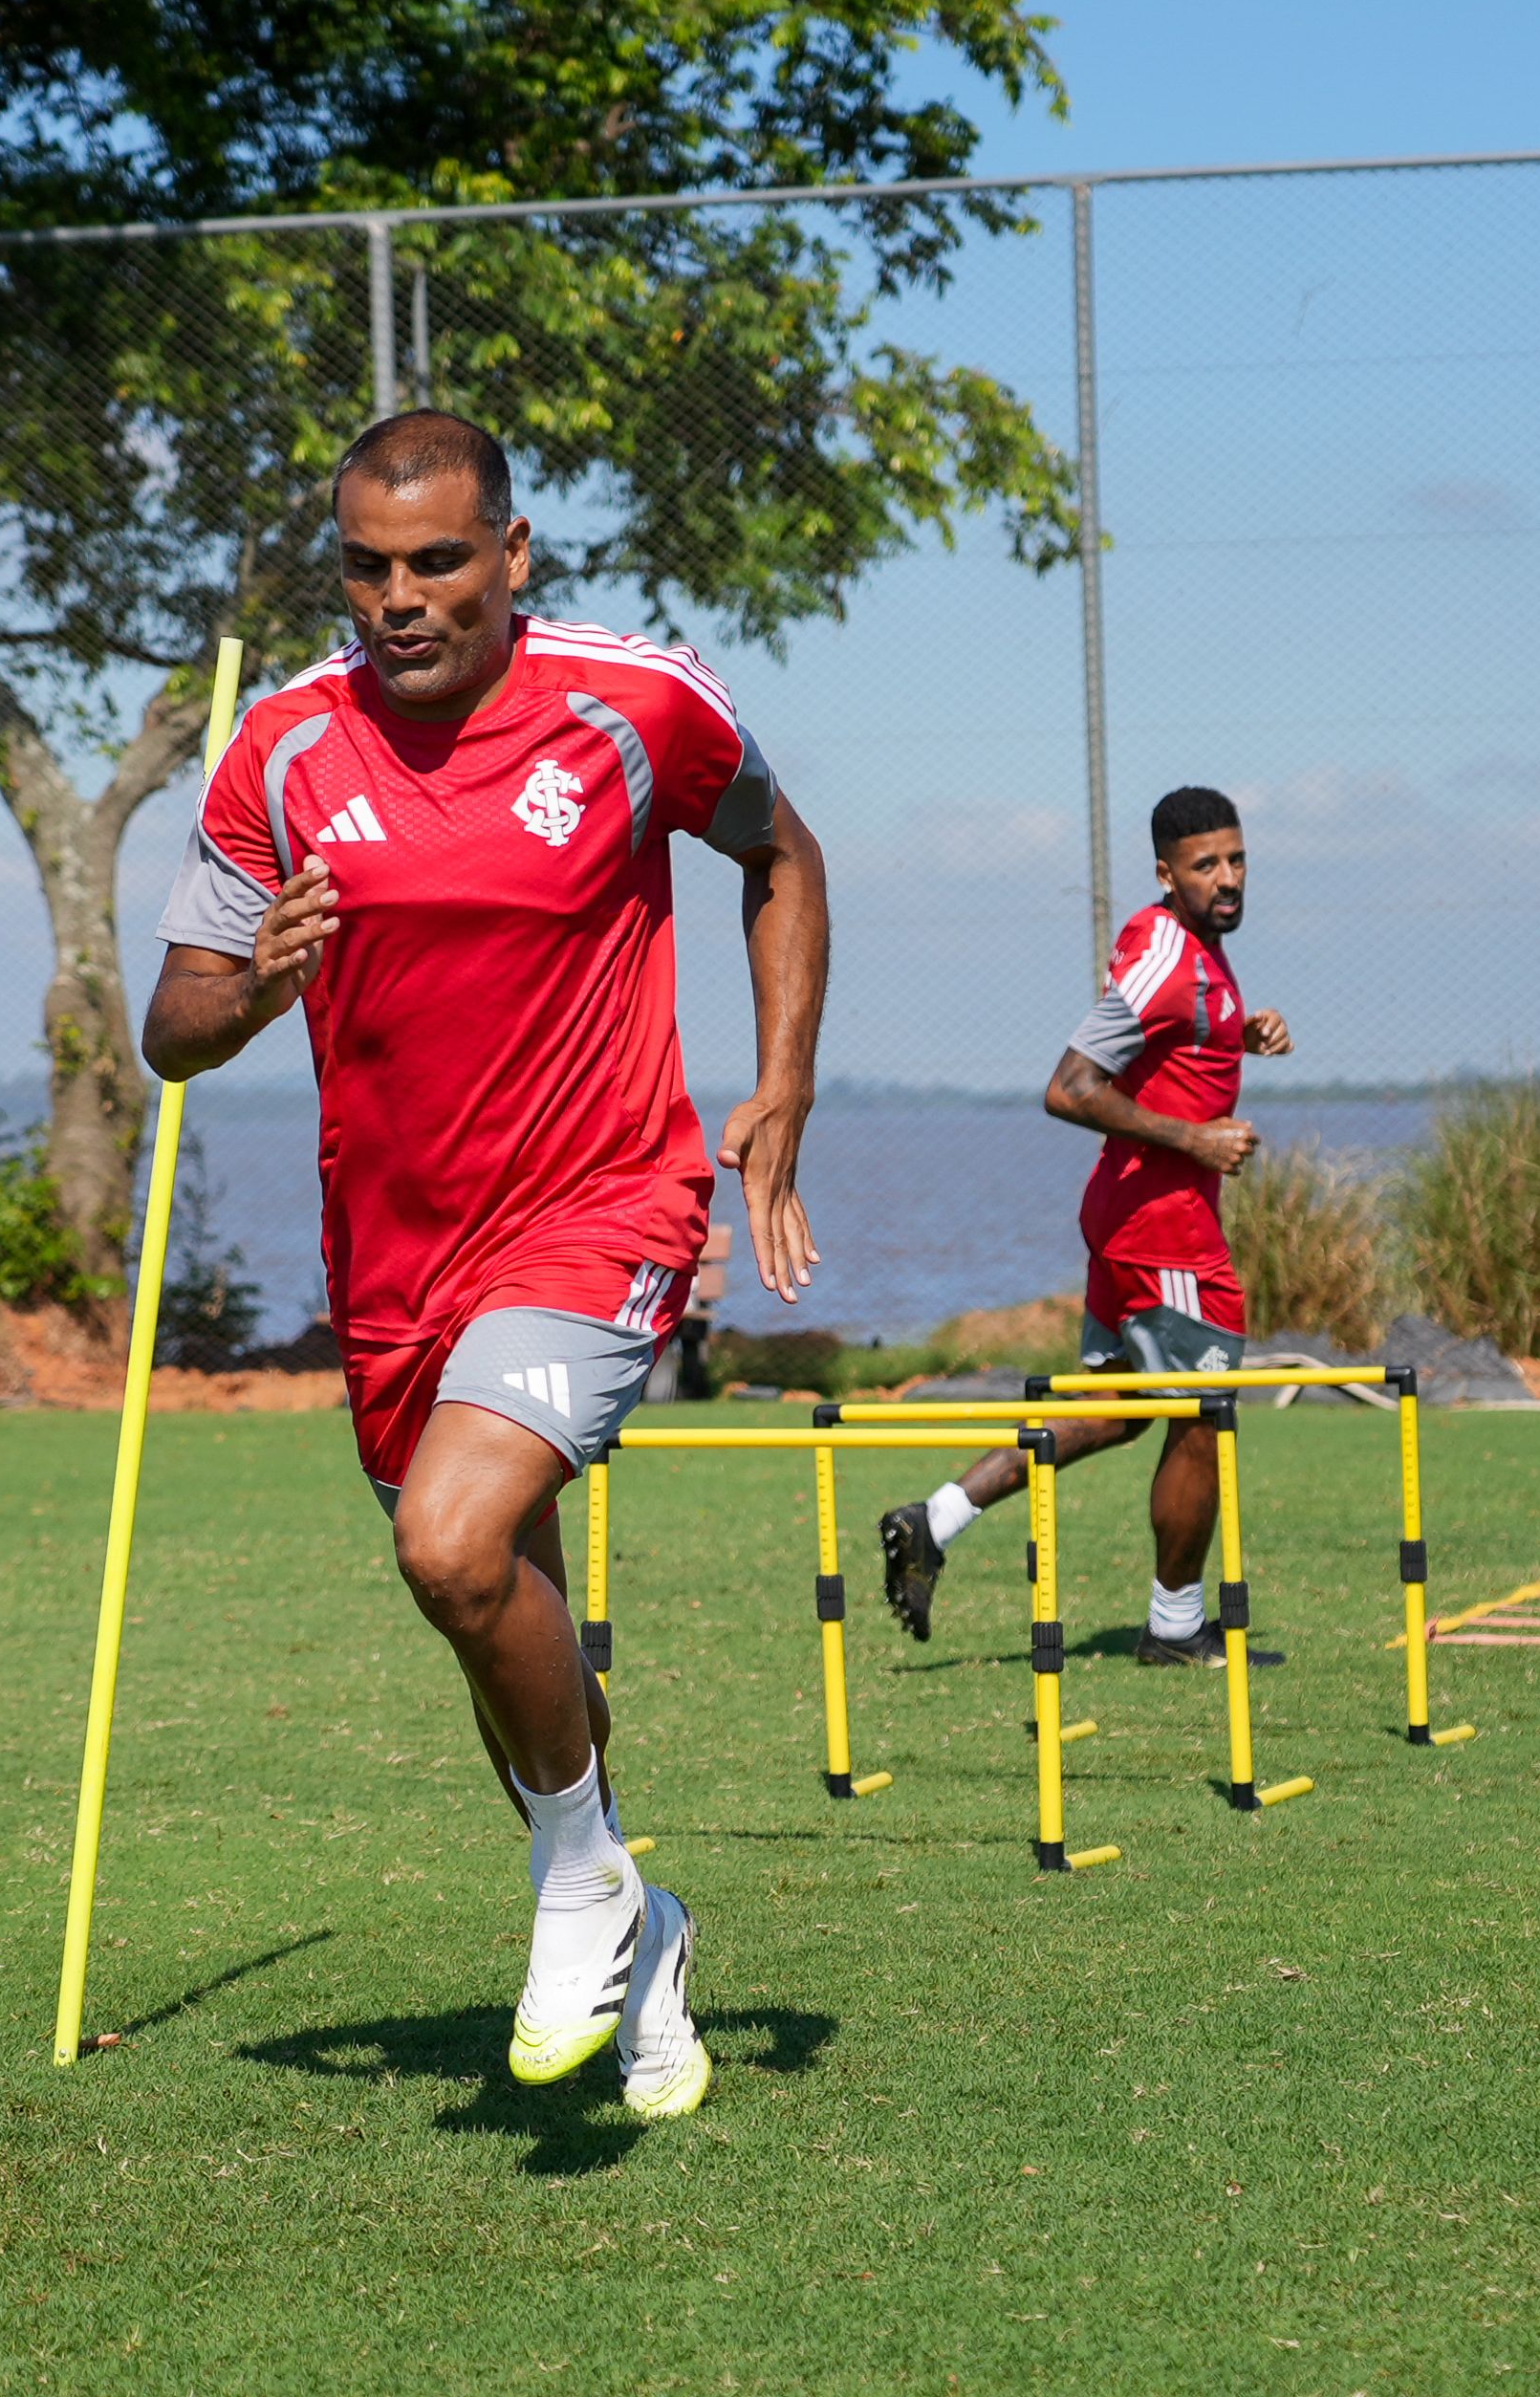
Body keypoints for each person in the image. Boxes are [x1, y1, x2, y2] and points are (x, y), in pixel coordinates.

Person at [145, 410, 829, 2123]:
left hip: (600, 1200)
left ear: (511, 555)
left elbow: (782, 855)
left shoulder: (635, 700)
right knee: (494, 1612)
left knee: (450, 1548)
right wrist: (260, 978)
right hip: (395, 1257)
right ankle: (640, 1916)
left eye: (438, 561)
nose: (401, 598)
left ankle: (582, 1884)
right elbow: (171, 1026)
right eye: (369, 567)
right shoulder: (283, 748)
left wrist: (783, 1091)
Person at [875, 786, 1291, 1663]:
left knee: (1114, 1412)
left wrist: (1234, 1038)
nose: (1227, 879)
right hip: (1163, 1227)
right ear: (1165, 875)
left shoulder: (1200, 955)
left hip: (1133, 1218)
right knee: (1203, 1419)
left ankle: (934, 1521)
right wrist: (1197, 1139)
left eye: (1236, 859)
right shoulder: (1167, 960)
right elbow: (1068, 1087)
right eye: (1205, 865)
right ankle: (1175, 1631)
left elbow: (1171, 1041)